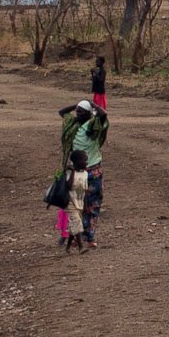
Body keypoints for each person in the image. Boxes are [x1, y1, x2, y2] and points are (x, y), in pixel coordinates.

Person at [59, 98, 107, 246]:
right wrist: (79, 104)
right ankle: (78, 236)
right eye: (77, 112)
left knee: (92, 205)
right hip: (78, 172)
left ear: (89, 114)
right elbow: (62, 112)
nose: (78, 114)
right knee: (78, 206)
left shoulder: (94, 127)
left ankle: (89, 237)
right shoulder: (72, 125)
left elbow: (103, 115)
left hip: (93, 171)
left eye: (81, 112)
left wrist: (92, 105)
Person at [61, 151, 89, 253]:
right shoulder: (68, 173)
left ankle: (67, 247)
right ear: (76, 162)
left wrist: (85, 206)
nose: (86, 162)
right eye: (84, 160)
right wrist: (72, 171)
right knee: (76, 222)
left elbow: (85, 190)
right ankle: (81, 247)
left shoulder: (85, 174)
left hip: (79, 202)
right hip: (69, 202)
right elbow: (68, 186)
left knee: (74, 225)